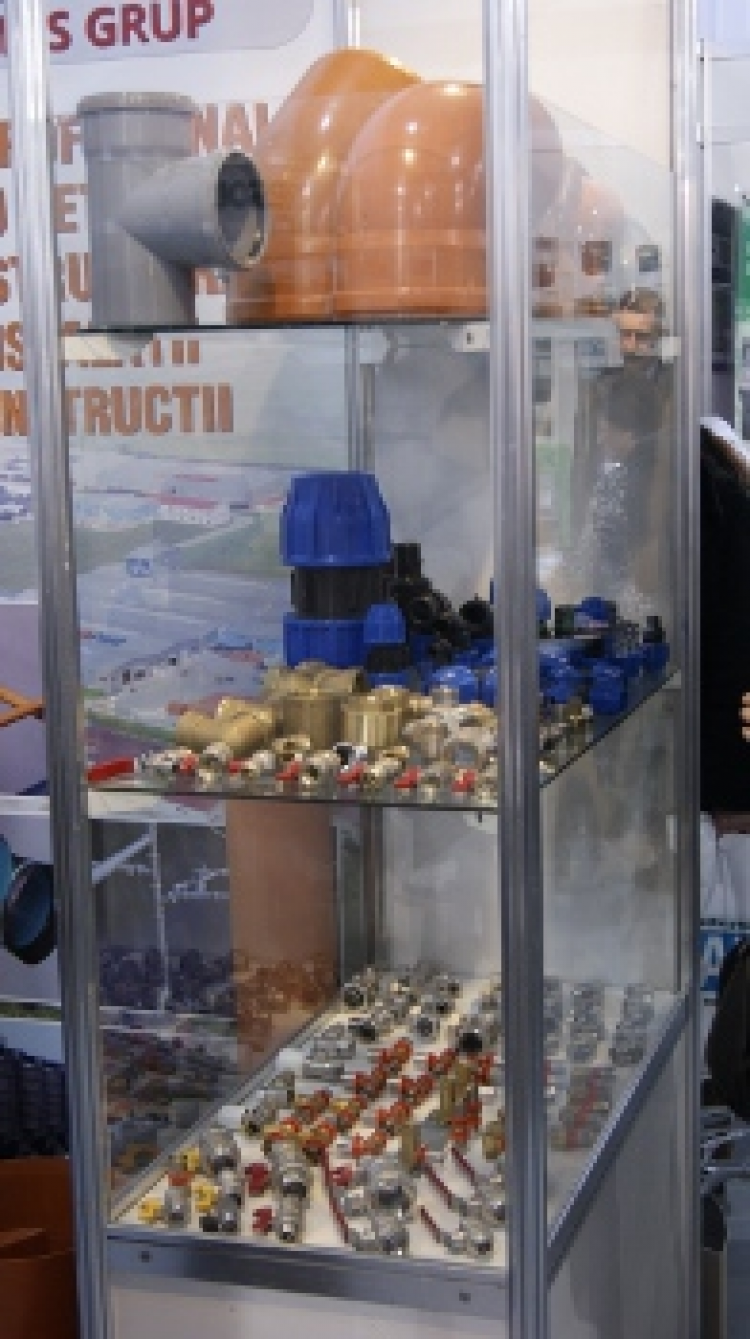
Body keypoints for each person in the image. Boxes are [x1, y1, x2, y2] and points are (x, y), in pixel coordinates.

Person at [570, 286, 673, 620]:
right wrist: (577, 525)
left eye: (640, 336)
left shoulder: (674, 389)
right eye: (623, 335)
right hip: (603, 517)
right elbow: (583, 458)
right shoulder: (599, 386)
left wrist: (654, 541)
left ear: (658, 337)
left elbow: (666, 467)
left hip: (650, 518)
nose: (629, 345)